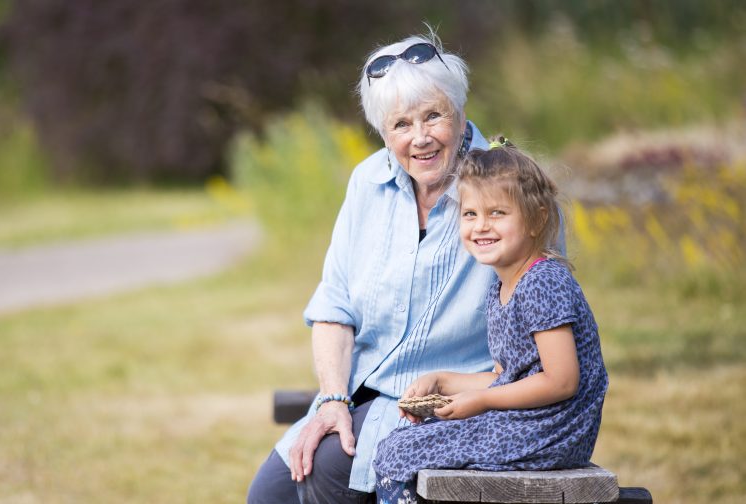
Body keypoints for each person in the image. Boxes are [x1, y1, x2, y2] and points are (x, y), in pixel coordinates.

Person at [248, 32, 503, 503]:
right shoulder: (368, 181)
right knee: (270, 495)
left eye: (433, 116)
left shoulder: (507, 189)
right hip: (360, 392)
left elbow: (540, 325)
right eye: (401, 124)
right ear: (383, 132)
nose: (420, 137)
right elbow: (334, 306)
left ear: (460, 110)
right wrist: (331, 399)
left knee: (325, 473)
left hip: (446, 408)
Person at [372, 139, 608, 504]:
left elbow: (561, 381)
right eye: (470, 214)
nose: (481, 226)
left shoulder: (543, 281)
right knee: (405, 440)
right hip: (528, 422)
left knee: (399, 452)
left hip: (553, 429)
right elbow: (507, 378)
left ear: (537, 218)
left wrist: (482, 402)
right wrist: (443, 381)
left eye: (497, 213)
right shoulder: (501, 287)